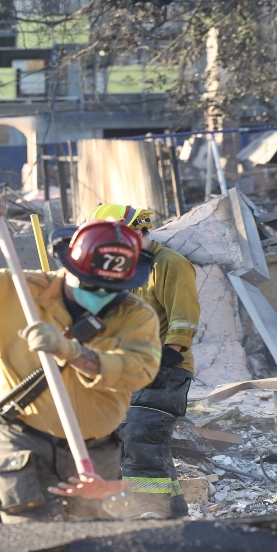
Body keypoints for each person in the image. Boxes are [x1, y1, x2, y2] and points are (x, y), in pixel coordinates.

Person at [0, 187, 161, 521]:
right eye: (91, 284)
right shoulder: (16, 290)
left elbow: (139, 369)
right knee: (34, 542)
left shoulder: (134, 314)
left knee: (93, 550)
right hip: (21, 443)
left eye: (112, 288)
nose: (102, 295)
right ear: (70, 266)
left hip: (96, 449)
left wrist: (73, 352)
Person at [87, 204, 201, 519]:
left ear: (138, 231)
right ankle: (175, 515)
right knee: (144, 447)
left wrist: (166, 359)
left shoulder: (170, 264)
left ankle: (148, 518)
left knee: (139, 440)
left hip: (165, 372)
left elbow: (184, 320)